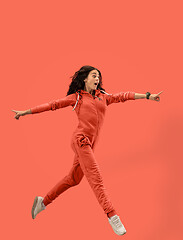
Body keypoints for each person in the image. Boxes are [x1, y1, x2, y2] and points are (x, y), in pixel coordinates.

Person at [12, 65, 163, 236]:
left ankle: (43, 202)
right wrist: (25, 112)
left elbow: (124, 96)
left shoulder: (103, 97)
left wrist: (148, 96)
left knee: (73, 179)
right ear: (85, 79)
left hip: (90, 145)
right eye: (93, 75)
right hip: (81, 140)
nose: (97, 79)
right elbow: (52, 105)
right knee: (95, 177)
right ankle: (112, 215)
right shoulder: (76, 98)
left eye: (98, 76)